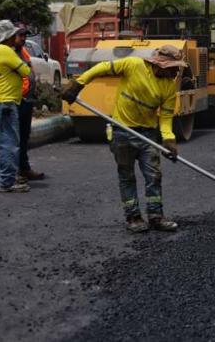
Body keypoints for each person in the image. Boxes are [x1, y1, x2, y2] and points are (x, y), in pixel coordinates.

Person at [61, 45, 186, 233]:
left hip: (148, 134)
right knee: (126, 176)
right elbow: (102, 68)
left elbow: (166, 118)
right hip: (122, 131)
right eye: (174, 67)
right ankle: (133, 217)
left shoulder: (169, 86)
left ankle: (156, 216)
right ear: (160, 64)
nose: (177, 71)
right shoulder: (133, 65)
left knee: (154, 175)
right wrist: (79, 83)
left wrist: (169, 139)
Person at [0, 20, 31, 193]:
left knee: (8, 142)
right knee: (9, 144)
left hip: (0, 103)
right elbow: (26, 71)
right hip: (5, 103)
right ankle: (6, 182)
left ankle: (10, 177)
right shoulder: (4, 50)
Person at [13, 24, 45, 182]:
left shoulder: (22, 51)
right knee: (15, 137)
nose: (24, 39)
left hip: (27, 99)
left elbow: (29, 70)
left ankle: (24, 169)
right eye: (21, 36)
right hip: (17, 100)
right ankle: (15, 172)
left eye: (25, 36)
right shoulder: (9, 53)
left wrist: (35, 87)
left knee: (24, 136)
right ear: (13, 36)